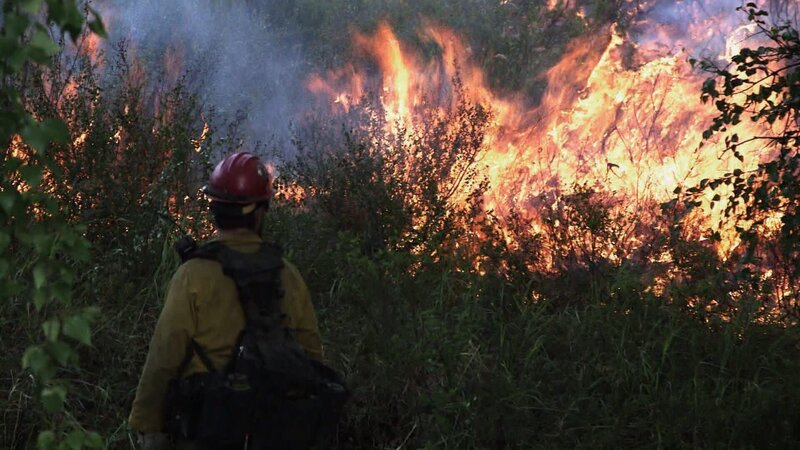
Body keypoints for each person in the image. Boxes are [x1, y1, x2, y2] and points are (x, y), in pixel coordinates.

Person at [128, 152, 323, 450]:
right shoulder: (288, 274)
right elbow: (311, 355)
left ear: (215, 209)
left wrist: (147, 424)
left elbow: (164, 355)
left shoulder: (193, 275)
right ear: (260, 212)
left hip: (208, 432)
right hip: (275, 432)